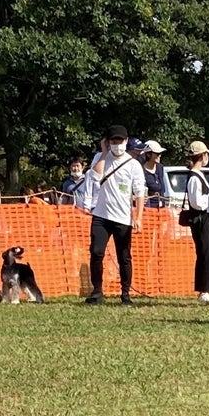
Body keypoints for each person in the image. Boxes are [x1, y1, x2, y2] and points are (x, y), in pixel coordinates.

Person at [82, 124, 145, 305]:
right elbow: (94, 177)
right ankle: (97, 291)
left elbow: (140, 192)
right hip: (101, 215)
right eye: (113, 141)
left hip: (123, 218)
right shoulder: (100, 158)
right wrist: (103, 152)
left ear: (126, 141)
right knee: (96, 252)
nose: (117, 144)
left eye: (120, 140)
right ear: (108, 142)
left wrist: (138, 217)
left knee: (124, 256)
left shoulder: (133, 165)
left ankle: (125, 294)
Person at [183, 141, 209, 302]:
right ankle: (203, 290)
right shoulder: (194, 177)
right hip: (200, 217)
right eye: (206, 155)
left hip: (204, 217)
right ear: (202, 156)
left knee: (207, 252)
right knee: (204, 253)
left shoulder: (198, 175)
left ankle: (207, 289)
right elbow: (196, 201)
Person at [141, 142, 172, 209]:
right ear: (148, 154)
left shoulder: (160, 167)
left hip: (161, 209)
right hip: (148, 210)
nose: (160, 155)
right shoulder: (141, 171)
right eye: (157, 154)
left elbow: (162, 190)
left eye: (160, 153)